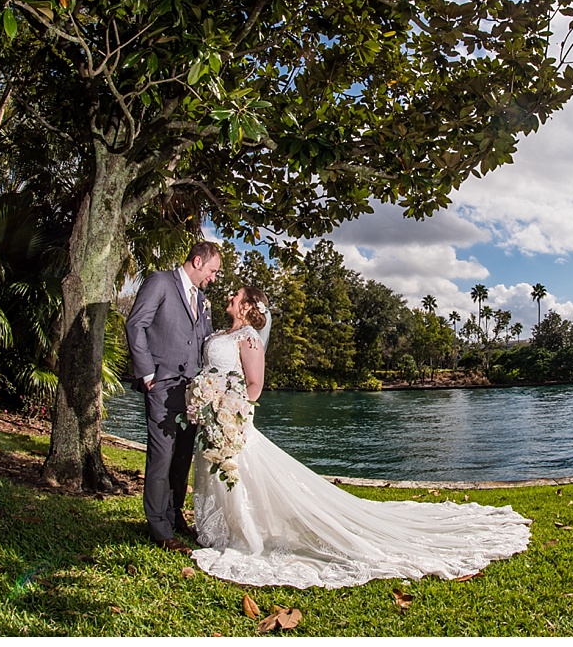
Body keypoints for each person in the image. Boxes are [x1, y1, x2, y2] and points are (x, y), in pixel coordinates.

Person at [189, 286, 532, 589]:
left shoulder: (248, 338)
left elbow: (254, 386)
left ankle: (241, 533)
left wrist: (227, 411)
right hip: (211, 416)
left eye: (237, 294)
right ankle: (220, 528)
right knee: (226, 474)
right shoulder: (222, 332)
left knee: (241, 474)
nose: (230, 296)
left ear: (249, 306)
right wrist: (207, 401)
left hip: (230, 418)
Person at [125, 240, 222, 554]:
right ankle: (158, 529)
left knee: (182, 457)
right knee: (162, 457)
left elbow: (204, 341)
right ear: (196, 261)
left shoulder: (203, 299)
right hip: (162, 387)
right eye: (212, 270)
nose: (213, 277)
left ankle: (174, 514)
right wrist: (147, 372)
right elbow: (135, 323)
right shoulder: (160, 282)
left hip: (193, 391)